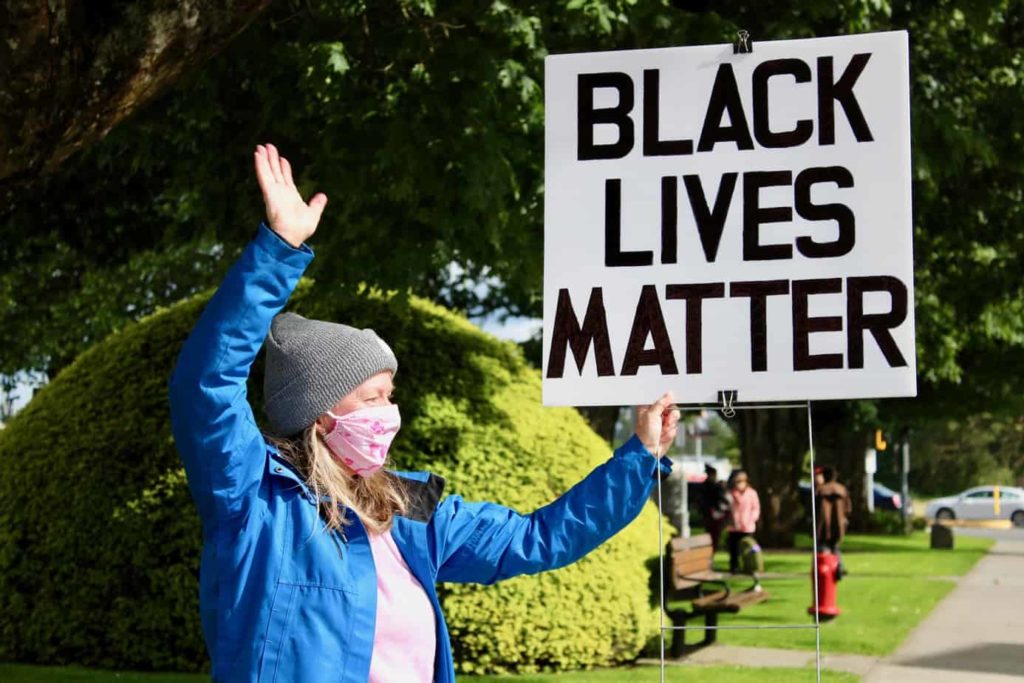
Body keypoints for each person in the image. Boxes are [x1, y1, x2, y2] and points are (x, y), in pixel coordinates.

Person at [168, 143, 681, 683]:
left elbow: (538, 538)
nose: (390, 414)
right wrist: (279, 250)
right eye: (372, 398)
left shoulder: (408, 506)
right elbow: (205, 384)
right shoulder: (253, 498)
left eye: (391, 396)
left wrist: (639, 455)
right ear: (319, 415)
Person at [815, 465, 852, 578]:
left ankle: (825, 571)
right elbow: (848, 508)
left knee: (823, 548)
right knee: (835, 547)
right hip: (838, 525)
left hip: (823, 525)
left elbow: (814, 509)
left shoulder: (821, 490)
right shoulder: (842, 489)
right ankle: (839, 566)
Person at [726, 469, 760, 574]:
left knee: (749, 547)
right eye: (738, 481)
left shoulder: (752, 493)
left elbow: (756, 508)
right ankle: (734, 567)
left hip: (748, 526)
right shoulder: (731, 494)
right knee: (734, 549)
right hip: (734, 526)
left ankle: (750, 567)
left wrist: (752, 519)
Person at [698, 464, 730, 551]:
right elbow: (721, 498)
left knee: (711, 534)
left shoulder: (705, 486)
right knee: (713, 535)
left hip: (709, 514)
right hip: (713, 514)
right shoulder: (713, 486)